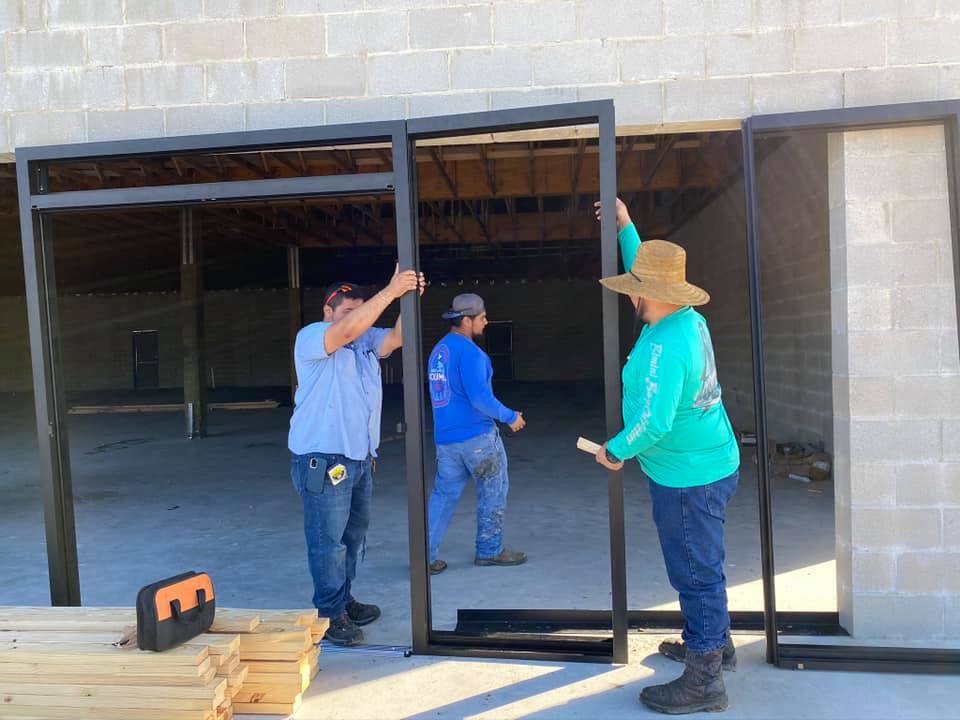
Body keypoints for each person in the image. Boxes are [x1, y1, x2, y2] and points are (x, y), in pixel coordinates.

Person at [594, 199, 741, 714]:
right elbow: (647, 273)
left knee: (695, 574)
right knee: (706, 563)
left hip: (687, 478)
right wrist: (625, 226)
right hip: (708, 462)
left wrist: (615, 450)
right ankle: (715, 645)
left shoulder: (666, 345)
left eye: (636, 287)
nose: (631, 293)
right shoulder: (681, 319)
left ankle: (704, 681)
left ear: (650, 295)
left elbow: (653, 423)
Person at [288, 265, 425, 646]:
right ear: (328, 311)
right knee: (327, 541)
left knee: (352, 537)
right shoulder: (312, 337)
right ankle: (329, 614)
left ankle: (343, 599)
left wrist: (410, 298)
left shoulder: (365, 341)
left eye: (360, 310)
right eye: (348, 310)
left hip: (359, 459)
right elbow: (346, 331)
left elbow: (398, 337)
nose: (357, 318)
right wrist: (390, 291)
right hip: (322, 460)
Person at [425, 293, 527, 575]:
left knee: (443, 496)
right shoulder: (471, 353)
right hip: (477, 440)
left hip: (446, 441)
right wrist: (510, 417)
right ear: (467, 321)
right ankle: (489, 550)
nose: (486, 321)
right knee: (493, 490)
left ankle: (425, 554)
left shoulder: (439, 351)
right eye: (482, 317)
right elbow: (480, 398)